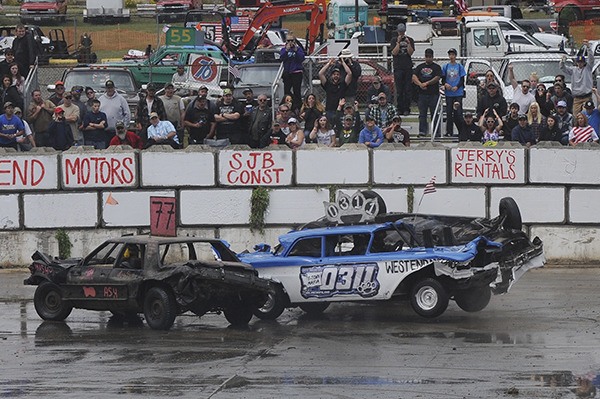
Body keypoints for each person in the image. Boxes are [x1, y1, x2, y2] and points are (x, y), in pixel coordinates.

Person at [412, 48, 442, 137]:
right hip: (422, 95)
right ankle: (422, 131)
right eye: (427, 56)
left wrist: (427, 83)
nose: (428, 58)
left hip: (433, 94)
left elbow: (437, 77)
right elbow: (414, 77)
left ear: (433, 57)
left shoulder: (436, 67)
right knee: (422, 114)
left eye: (430, 57)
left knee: (434, 114)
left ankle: (436, 132)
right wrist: (420, 84)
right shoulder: (420, 67)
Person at [560, 40, 594, 114]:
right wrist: (562, 61)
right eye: (579, 62)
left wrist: (588, 47)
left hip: (586, 97)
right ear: (576, 62)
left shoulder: (588, 69)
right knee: (575, 117)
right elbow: (563, 68)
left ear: (584, 62)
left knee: (586, 114)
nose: (580, 64)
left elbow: (591, 58)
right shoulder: (573, 70)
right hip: (577, 98)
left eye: (582, 62)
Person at [391, 23, 415, 116]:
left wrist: (408, 43)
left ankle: (406, 108)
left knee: (407, 89)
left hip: (407, 67)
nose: (401, 34)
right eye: (400, 32)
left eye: (402, 32)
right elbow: (394, 52)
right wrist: (398, 42)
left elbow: (410, 53)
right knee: (399, 89)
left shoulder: (410, 40)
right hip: (398, 67)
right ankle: (399, 108)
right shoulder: (394, 40)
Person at [442, 48, 466, 137]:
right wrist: (446, 84)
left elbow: (462, 79)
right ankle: (449, 131)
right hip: (449, 93)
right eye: (450, 55)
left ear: (455, 56)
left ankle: (461, 131)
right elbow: (443, 78)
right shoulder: (446, 67)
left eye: (453, 55)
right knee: (449, 113)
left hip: (458, 93)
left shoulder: (459, 67)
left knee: (458, 113)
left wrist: (457, 86)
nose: (451, 56)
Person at [280, 35, 305, 112]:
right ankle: (290, 105)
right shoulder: (283, 49)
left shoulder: (298, 49)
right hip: (288, 72)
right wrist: (287, 50)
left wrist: (296, 50)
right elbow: (282, 58)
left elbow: (301, 58)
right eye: (288, 41)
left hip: (296, 72)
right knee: (287, 91)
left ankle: (298, 106)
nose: (290, 42)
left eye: (292, 40)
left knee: (297, 91)